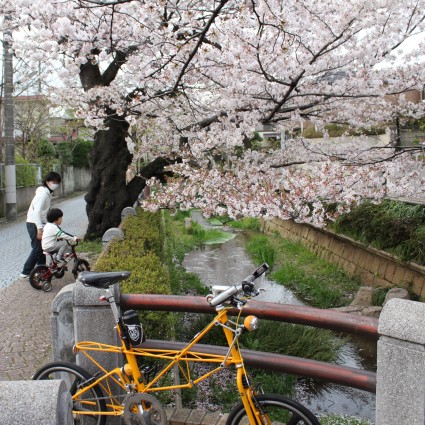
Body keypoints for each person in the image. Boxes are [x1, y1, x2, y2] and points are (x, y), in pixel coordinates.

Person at [20, 171, 61, 278]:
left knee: (41, 248)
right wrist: (39, 228)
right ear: (47, 181)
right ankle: (25, 272)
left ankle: (41, 268)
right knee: (37, 249)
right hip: (34, 223)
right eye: (53, 181)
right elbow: (36, 212)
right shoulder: (43, 194)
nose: (55, 184)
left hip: (38, 222)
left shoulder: (46, 192)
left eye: (57, 182)